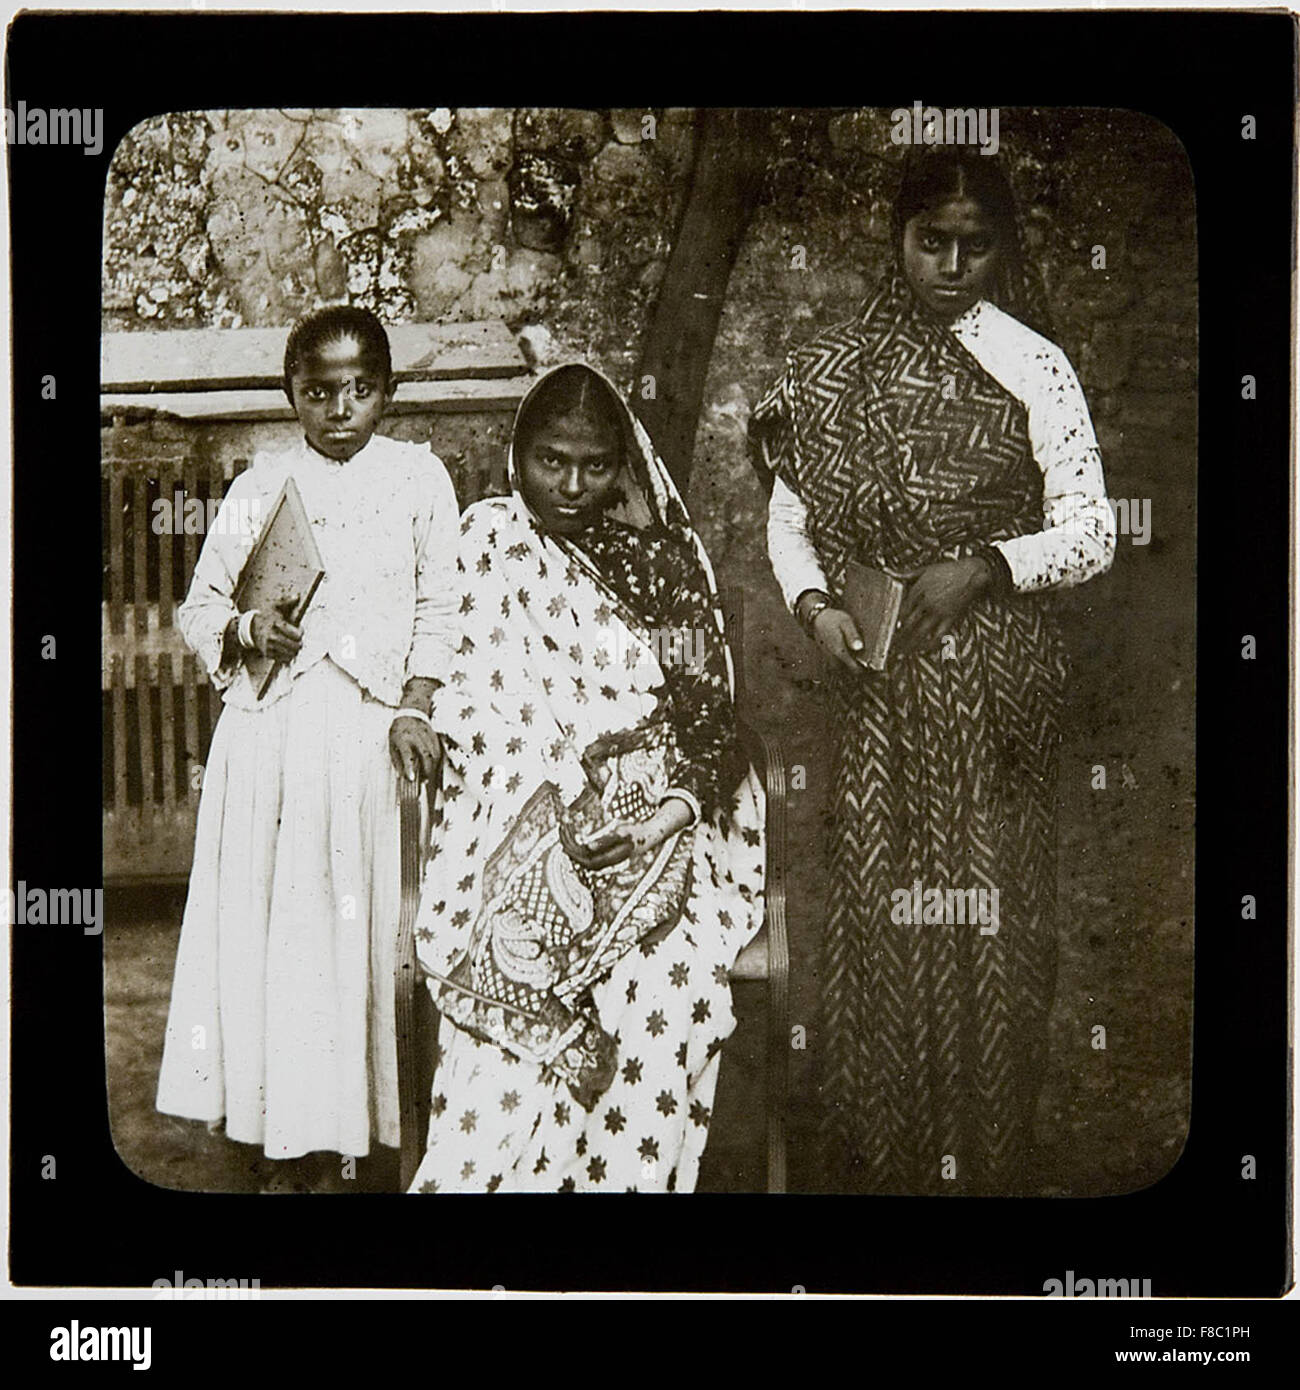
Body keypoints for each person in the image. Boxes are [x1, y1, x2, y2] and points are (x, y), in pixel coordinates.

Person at [751, 146, 1115, 1194]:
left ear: (1000, 250)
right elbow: (791, 523)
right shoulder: (832, 368)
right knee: (882, 908)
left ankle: (987, 1158)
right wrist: (816, 608)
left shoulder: (1033, 364)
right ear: (897, 239)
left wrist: (990, 564)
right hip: (880, 687)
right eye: (931, 241)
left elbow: (1090, 533)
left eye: (975, 245)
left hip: (999, 689)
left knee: (995, 913)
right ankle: (890, 1160)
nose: (952, 264)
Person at [407, 363, 765, 1193]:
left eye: (594, 465)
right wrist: (538, 781)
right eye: (551, 461)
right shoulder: (487, 542)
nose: (571, 485)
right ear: (517, 455)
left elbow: (711, 721)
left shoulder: (660, 563)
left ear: (623, 465)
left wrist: (663, 813)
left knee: (661, 989)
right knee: (513, 972)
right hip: (514, 825)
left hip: (658, 825)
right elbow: (457, 693)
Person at [156, 306, 460, 1189]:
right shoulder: (262, 484)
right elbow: (200, 606)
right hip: (271, 742)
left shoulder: (418, 478)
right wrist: (249, 629)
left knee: (352, 931)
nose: (339, 409)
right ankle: (272, 1120)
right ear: (290, 393)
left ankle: (357, 1127)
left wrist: (415, 704)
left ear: (388, 393)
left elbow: (443, 607)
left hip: (369, 740)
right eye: (318, 391)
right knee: (274, 932)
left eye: (361, 390)